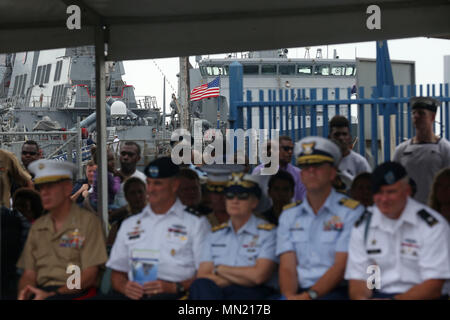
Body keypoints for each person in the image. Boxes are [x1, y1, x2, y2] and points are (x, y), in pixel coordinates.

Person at [105, 157, 209, 300]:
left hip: (177, 294)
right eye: (149, 183)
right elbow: (117, 273)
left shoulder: (196, 223)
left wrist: (176, 287)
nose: (151, 189)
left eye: (158, 184)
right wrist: (125, 287)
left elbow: (207, 273)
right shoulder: (130, 224)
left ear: (174, 186)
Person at [345, 161, 450, 299]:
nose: (384, 199)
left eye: (391, 192)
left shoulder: (432, 226)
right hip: (378, 294)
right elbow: (359, 279)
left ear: (407, 191)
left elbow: (434, 286)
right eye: (378, 192)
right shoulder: (363, 226)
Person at [276, 136, 364, 300]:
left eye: (317, 166)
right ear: (301, 175)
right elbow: (287, 265)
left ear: (332, 173)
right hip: (299, 292)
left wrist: (309, 297)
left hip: (335, 292)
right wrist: (289, 296)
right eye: (306, 166)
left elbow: (341, 265)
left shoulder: (351, 212)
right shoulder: (289, 215)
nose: (311, 171)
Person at [16, 159, 108, 300]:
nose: (44, 193)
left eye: (50, 187)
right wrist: (25, 293)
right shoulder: (38, 228)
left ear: (66, 188)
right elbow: (29, 273)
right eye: (41, 188)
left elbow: (89, 275)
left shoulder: (88, 224)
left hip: (77, 293)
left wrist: (53, 295)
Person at [189, 172, 278, 300]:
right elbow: (203, 274)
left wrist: (219, 269)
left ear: (254, 202)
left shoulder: (268, 233)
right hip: (217, 292)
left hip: (253, 294)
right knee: (200, 285)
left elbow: (258, 276)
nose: (235, 201)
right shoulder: (215, 234)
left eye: (242, 196)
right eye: (230, 196)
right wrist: (241, 276)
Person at [393, 96, 450, 204]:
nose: (416, 116)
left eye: (421, 113)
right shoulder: (401, 150)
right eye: (414, 113)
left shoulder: (445, 149)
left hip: (434, 209)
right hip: (408, 209)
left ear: (432, 117)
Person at [253, 136, 306, 202]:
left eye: (292, 149)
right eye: (286, 149)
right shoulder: (259, 171)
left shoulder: (298, 173)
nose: (290, 152)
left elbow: (303, 199)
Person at [107, 177, 148, 249]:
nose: (137, 196)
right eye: (132, 193)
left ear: (146, 194)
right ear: (126, 196)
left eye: (140, 192)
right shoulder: (118, 226)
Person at [329, 115, 371, 180]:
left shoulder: (360, 163)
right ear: (330, 138)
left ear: (350, 137)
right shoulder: (324, 162)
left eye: (344, 134)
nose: (341, 138)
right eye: (337, 134)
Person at [113, 141, 147, 208]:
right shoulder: (109, 176)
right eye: (123, 154)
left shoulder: (143, 180)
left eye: (130, 155)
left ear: (138, 158)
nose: (125, 157)